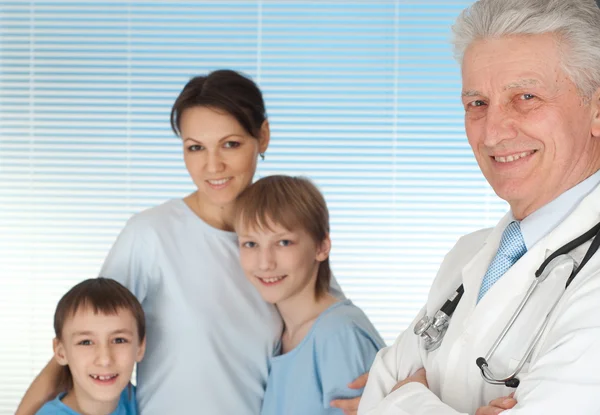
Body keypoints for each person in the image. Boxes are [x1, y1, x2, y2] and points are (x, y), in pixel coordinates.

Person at [17, 69, 364, 415]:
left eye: (231, 144)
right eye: (196, 148)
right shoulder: (150, 235)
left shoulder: (288, 245)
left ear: (263, 136)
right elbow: (80, 346)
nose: (213, 166)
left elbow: (338, 341)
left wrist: (384, 395)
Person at [358, 0, 600, 414]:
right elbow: (376, 387)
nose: (492, 133)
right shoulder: (468, 255)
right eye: (477, 104)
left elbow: (390, 391)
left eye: (526, 96)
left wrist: (405, 399)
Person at [233, 175, 386, 415]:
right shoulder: (282, 336)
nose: (265, 263)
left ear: (321, 247)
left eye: (283, 242)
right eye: (251, 244)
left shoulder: (338, 334)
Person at [36, 278, 145, 415]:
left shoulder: (148, 401)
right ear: (61, 352)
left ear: (140, 346)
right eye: (86, 342)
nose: (105, 360)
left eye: (119, 340)